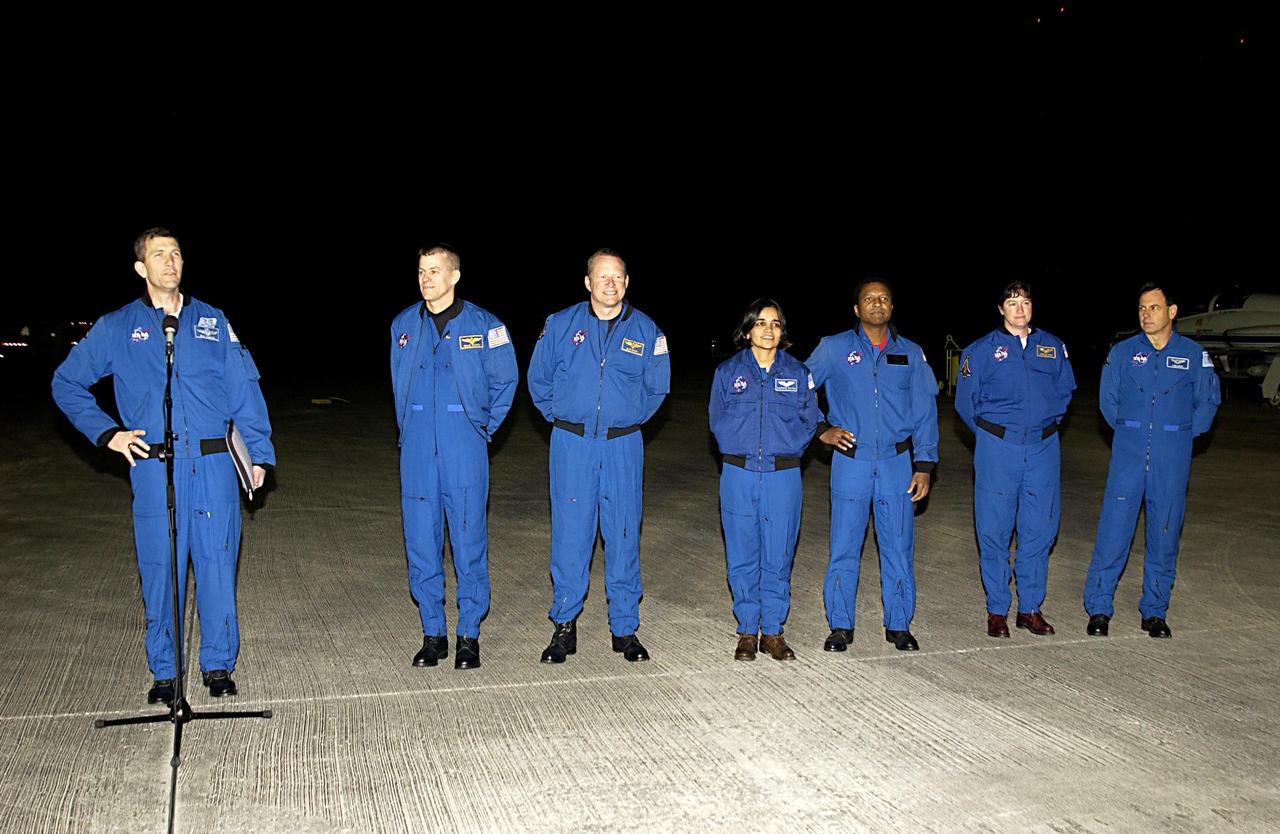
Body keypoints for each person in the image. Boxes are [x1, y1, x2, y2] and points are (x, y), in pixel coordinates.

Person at [52, 227, 274, 704]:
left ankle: (217, 665)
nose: (170, 262)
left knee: (217, 566)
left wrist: (258, 454)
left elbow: (244, 391)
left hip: (214, 465)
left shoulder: (212, 321)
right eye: (159, 255)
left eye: (176, 253)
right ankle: (165, 672)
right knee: (161, 569)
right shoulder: (117, 326)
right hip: (155, 468)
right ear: (141, 268)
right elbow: (66, 382)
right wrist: (107, 432)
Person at [527, 248, 670, 663]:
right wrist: (566, 418)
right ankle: (564, 626)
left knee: (624, 532)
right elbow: (539, 380)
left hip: (623, 445)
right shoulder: (559, 325)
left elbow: (656, 389)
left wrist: (624, 421)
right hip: (572, 445)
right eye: (602, 276)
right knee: (571, 533)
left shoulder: (647, 332)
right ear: (588, 282)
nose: (610, 283)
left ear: (627, 282)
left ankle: (624, 629)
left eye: (618, 277)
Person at [391, 245, 518, 670]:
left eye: (435, 270)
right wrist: (409, 431)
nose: (426, 278)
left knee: (468, 543)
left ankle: (468, 634)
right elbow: (398, 385)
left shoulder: (485, 326)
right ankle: (433, 634)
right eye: (421, 271)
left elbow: (506, 382)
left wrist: (482, 428)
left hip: (464, 448)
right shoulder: (403, 325)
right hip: (417, 455)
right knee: (422, 545)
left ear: (455, 275)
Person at [805, 279, 939, 652]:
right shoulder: (833, 349)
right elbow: (799, 387)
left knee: (897, 545)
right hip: (851, 462)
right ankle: (840, 625)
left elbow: (926, 411)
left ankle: (899, 625)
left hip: (897, 462)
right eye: (869, 299)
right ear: (856, 309)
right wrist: (821, 429)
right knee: (845, 545)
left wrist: (924, 464)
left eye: (884, 299)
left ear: (892, 307)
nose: (877, 304)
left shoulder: (911, 354)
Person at [1083, 283, 1220, 639]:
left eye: (1154, 308)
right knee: (1114, 532)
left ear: (1172, 312)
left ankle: (1154, 611)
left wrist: (1175, 436)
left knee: (1165, 532)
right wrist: (1132, 432)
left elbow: (1207, 404)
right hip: (1128, 457)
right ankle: (1099, 607)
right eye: (1142, 309)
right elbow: (1107, 401)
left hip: (1171, 459)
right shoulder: (1123, 352)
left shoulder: (1193, 355)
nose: (1146, 315)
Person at [955, 282, 1076, 638]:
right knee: (994, 529)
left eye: (1024, 302)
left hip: (1042, 447)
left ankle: (1030, 608)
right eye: (1012, 302)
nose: (1019, 309)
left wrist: (1045, 421)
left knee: (1039, 530)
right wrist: (994, 437)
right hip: (998, 448)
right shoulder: (979, 351)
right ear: (1000, 309)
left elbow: (1066, 390)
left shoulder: (1053, 347)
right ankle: (997, 610)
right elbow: (965, 403)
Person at [709, 299, 821, 661]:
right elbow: (717, 418)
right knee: (742, 552)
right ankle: (746, 630)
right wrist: (735, 447)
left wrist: (789, 450)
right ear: (747, 331)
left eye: (775, 324)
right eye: (760, 323)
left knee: (779, 552)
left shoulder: (798, 372)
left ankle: (772, 630)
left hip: (783, 475)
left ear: (782, 331)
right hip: (739, 474)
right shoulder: (728, 372)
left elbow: (810, 418)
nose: (768, 330)